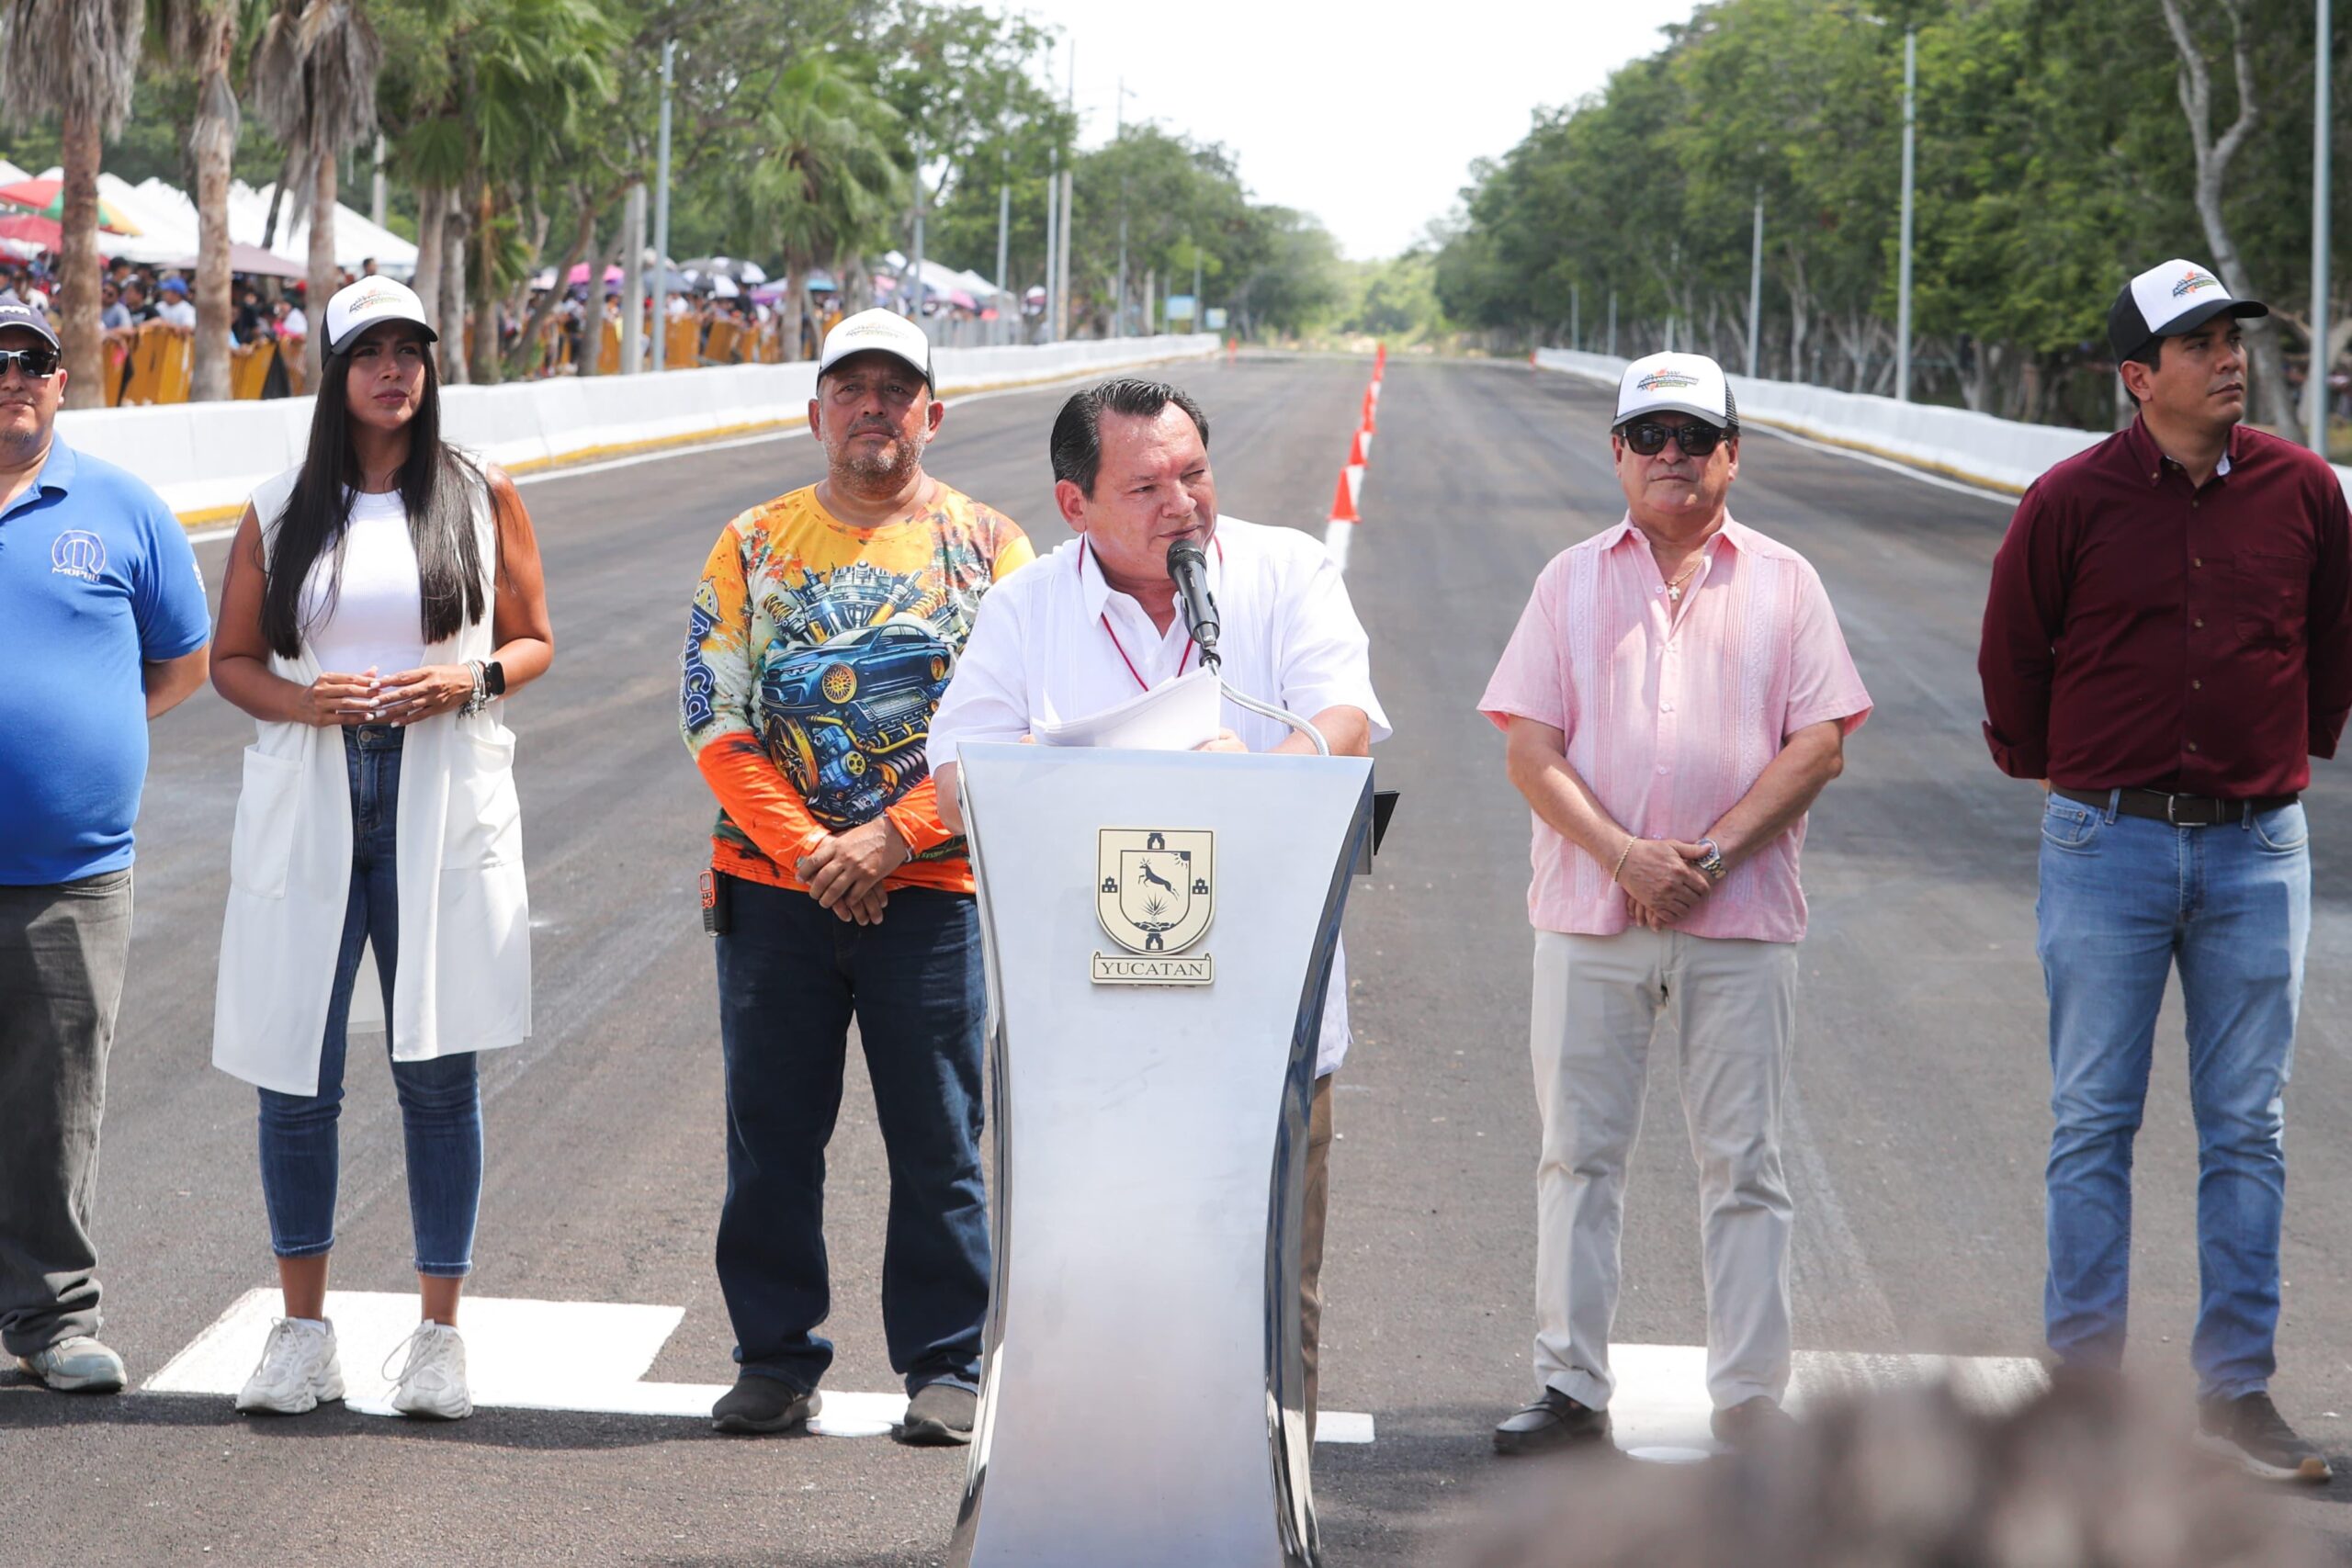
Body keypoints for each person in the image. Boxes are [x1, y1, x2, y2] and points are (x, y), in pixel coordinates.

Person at [927, 376, 1390, 1439]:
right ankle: (1096, 1509)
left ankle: (1269, 1521)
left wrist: (1263, 772)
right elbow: (957, 781)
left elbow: (1345, 717)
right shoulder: (1026, 607)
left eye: (1194, 473)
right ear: (1074, 505)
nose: (1182, 502)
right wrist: (1086, 771)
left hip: (1264, 1019)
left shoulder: (1285, 573)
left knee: (1271, 1295)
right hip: (1084, 1038)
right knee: (1088, 1293)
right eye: (1146, 485)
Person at [1978, 258, 2352, 1483]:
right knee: (2094, 1119)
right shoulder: (2069, 500)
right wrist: (2062, 773)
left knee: (2250, 1125)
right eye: (2197, 343)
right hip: (2106, 842)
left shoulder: (2305, 492)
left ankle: (2235, 1393)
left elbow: (2336, 638)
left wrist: (2282, 752)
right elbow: (2013, 650)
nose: (2229, 356)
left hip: (2259, 844)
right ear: (2139, 377)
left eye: (2231, 336)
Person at [1477, 352, 1870, 1456]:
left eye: (1693, 437)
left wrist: (1706, 852)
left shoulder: (1786, 581)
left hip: (1739, 915)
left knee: (1744, 1162)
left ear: (1731, 456)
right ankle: (1567, 1389)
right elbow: (1529, 748)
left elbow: (1820, 742)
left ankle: (1750, 1398)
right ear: (1615, 454)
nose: (1670, 457)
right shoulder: (1568, 581)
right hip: (1588, 910)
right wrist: (1623, 857)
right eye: (1648, 437)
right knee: (1576, 1156)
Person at [679, 308, 1033, 1444]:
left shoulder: (992, 549)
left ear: (932, 412)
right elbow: (713, 720)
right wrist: (812, 853)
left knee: (940, 1143)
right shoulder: (751, 543)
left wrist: (888, 840)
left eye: (896, 389)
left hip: (930, 895)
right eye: (852, 388)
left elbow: (1014, 726)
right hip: (773, 897)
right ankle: (775, 1361)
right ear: (816, 411)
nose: (873, 406)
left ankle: (945, 1368)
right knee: (771, 1143)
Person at [209, 277, 553, 1421]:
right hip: (313, 792)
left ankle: (438, 1341)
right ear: (335, 371)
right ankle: (303, 1334)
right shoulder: (280, 503)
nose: (394, 370)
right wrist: (310, 707)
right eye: (370, 352)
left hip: (439, 789)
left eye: (412, 350)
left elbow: (534, 639)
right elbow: (233, 664)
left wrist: (469, 679)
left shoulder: (479, 490)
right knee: (295, 1074)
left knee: (437, 1068)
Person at [0, 301, 211, 1393]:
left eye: (30, 360)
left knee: (55, 1102)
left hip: (72, 873)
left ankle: (52, 1319)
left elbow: (179, 663)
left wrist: (87, 735)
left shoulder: (122, 508)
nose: (11, 377)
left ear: (63, 380)